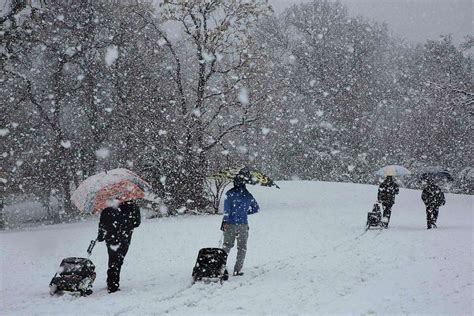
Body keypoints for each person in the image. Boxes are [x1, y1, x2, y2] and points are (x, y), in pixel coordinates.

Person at [97, 199, 141, 293]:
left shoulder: (107, 209)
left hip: (111, 238)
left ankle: (111, 282)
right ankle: (113, 283)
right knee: (118, 260)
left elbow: (102, 225)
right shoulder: (132, 207)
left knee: (112, 259)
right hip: (125, 238)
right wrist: (127, 225)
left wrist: (101, 237)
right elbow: (137, 223)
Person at [221, 172, 260, 276]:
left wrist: (225, 221)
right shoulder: (248, 195)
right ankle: (237, 270)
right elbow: (256, 208)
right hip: (243, 225)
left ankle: (221, 267)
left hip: (230, 224)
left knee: (226, 246)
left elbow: (226, 210)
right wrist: (245, 212)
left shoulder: (229, 194)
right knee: (242, 247)